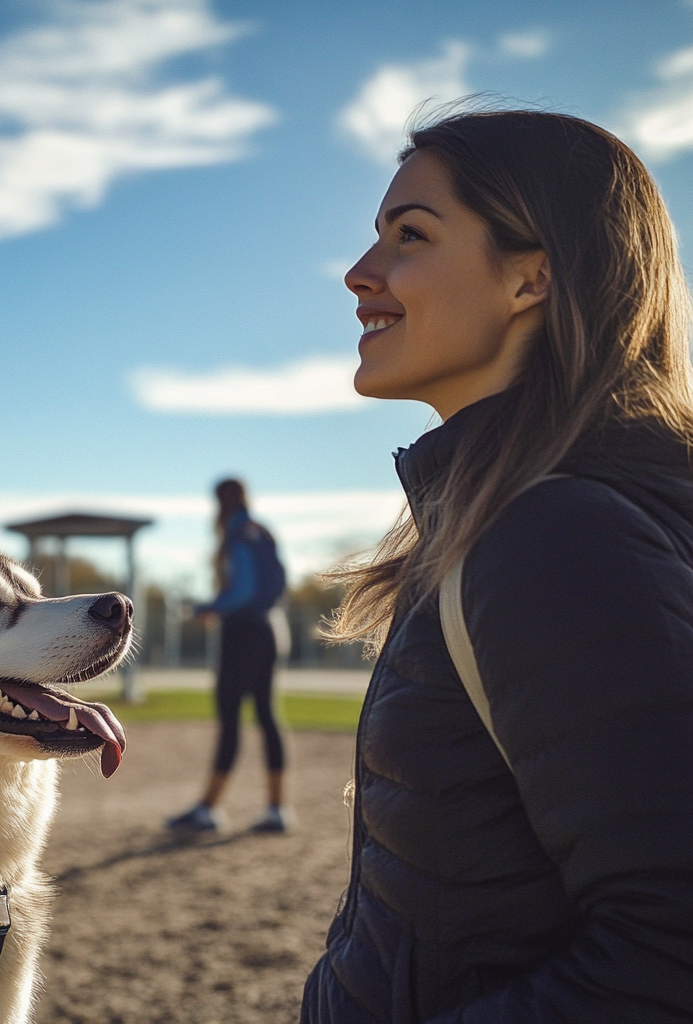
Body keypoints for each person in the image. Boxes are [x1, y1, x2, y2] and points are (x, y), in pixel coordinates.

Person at [301, 109, 693, 1022]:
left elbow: (669, 951)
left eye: (411, 236)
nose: (362, 275)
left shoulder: (558, 538)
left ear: (531, 278)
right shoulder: (510, 520)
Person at [166, 478, 289, 833]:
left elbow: (243, 590)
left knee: (231, 718)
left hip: (244, 634)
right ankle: (277, 808)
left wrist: (208, 607)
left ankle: (208, 809)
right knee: (267, 716)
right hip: (269, 631)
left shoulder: (238, 533)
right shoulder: (259, 530)